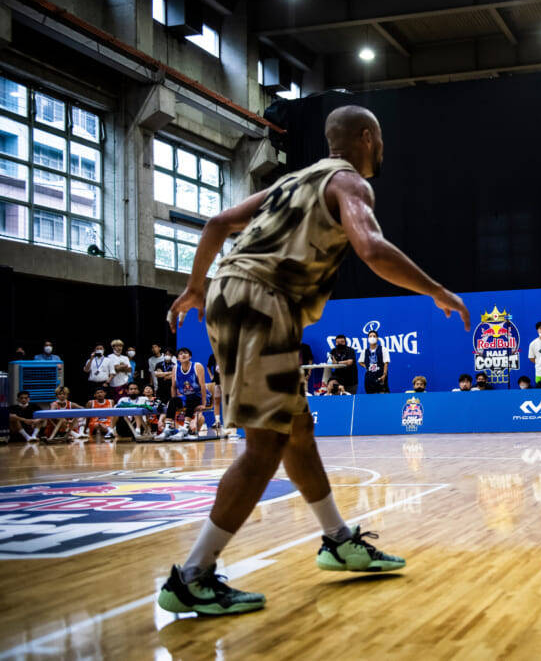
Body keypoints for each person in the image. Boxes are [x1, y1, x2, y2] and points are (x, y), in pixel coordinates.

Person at [161, 104, 470, 616]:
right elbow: (370, 248)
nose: (383, 149)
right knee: (266, 446)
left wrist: (196, 287)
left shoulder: (291, 182)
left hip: (231, 293)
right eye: (381, 139)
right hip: (263, 299)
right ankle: (194, 574)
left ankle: (337, 539)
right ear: (367, 138)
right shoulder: (350, 183)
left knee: (296, 429)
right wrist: (437, 291)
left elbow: (218, 223)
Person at [359, 329, 390, 394]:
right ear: (368, 339)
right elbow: (360, 362)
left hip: (380, 376)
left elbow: (386, 363)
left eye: (374, 336)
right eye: (370, 336)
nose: (372, 338)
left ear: (377, 338)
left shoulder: (383, 349)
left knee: (383, 395)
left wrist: (384, 375)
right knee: (370, 397)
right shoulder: (365, 351)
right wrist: (367, 367)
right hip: (369, 378)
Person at [206, 353, 223, 429]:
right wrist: (211, 376)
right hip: (217, 382)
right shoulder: (213, 355)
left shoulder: (229, 354)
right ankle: (217, 421)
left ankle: (230, 422)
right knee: (216, 400)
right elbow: (208, 366)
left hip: (228, 382)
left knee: (229, 402)